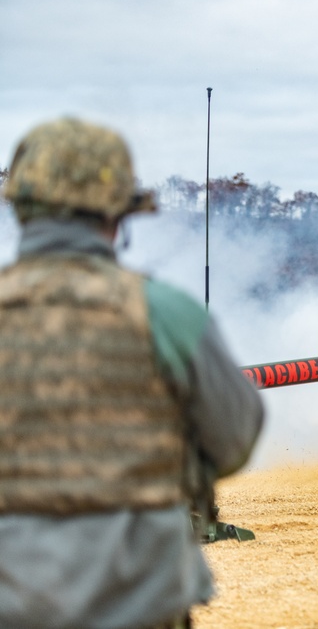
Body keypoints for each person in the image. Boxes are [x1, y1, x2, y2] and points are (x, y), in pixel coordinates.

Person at [0, 118, 265, 628]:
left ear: (20, 208)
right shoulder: (167, 313)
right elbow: (234, 441)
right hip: (136, 600)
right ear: (117, 213)